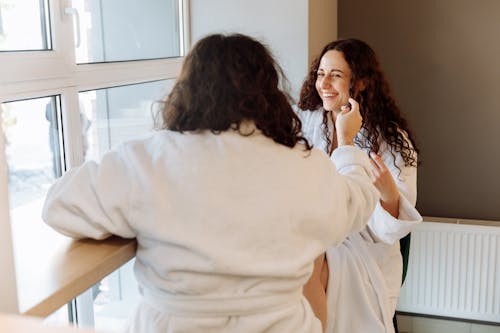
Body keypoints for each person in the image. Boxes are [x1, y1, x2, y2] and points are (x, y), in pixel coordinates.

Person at [42, 33, 379, 333]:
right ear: (268, 93)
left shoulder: (148, 159)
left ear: (187, 92)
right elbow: (357, 203)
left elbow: (59, 204)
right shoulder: (305, 165)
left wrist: (139, 214)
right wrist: (346, 143)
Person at [296, 38, 422, 333]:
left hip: (365, 249)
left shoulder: (392, 143)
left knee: (307, 264)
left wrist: (390, 198)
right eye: (320, 73)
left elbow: (387, 233)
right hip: (315, 235)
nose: (323, 83)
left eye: (336, 75)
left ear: (361, 83)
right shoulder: (302, 123)